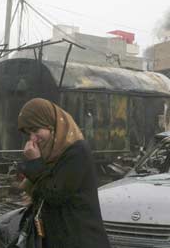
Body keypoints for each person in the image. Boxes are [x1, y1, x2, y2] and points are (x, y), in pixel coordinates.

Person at [17, 98, 110, 248]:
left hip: (80, 238)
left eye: (36, 130)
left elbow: (55, 194)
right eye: (29, 133)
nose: (33, 138)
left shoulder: (77, 151)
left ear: (52, 126)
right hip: (60, 237)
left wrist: (35, 163)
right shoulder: (52, 153)